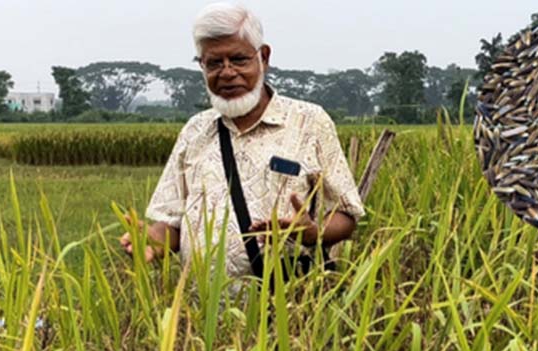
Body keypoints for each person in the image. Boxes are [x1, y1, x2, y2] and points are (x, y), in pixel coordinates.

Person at [119, 2, 365, 284]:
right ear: (202, 65)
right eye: (213, 63)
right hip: (203, 314)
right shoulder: (195, 131)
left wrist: (313, 232)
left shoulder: (309, 121)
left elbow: (347, 215)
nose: (226, 73)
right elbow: (173, 224)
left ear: (264, 56)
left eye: (238, 59)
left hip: (290, 310)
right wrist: (150, 241)